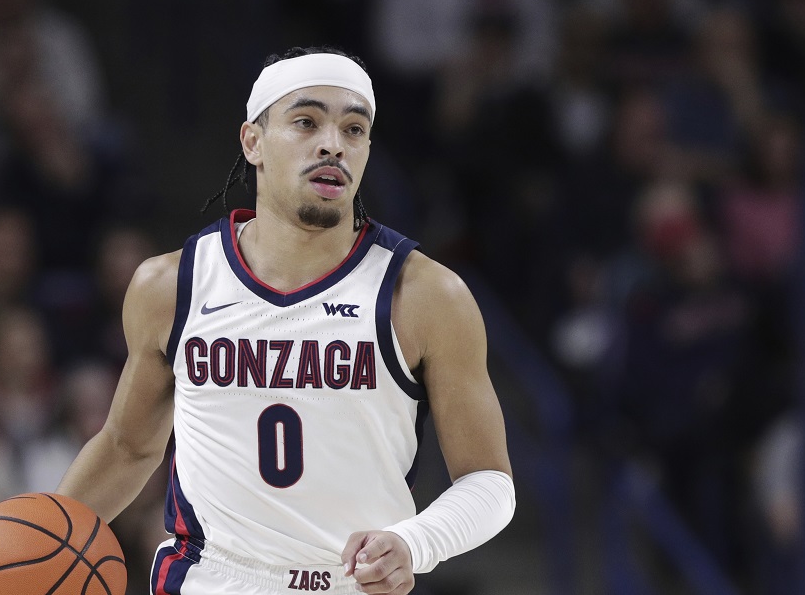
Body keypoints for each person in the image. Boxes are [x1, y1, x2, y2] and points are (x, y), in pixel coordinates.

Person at [57, 46, 516, 595]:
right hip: (211, 579)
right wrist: (43, 540)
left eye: (354, 130)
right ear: (252, 141)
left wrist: (415, 543)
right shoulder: (170, 285)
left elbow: (490, 484)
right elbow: (128, 449)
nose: (332, 144)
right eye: (306, 122)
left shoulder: (425, 296)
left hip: (350, 585)